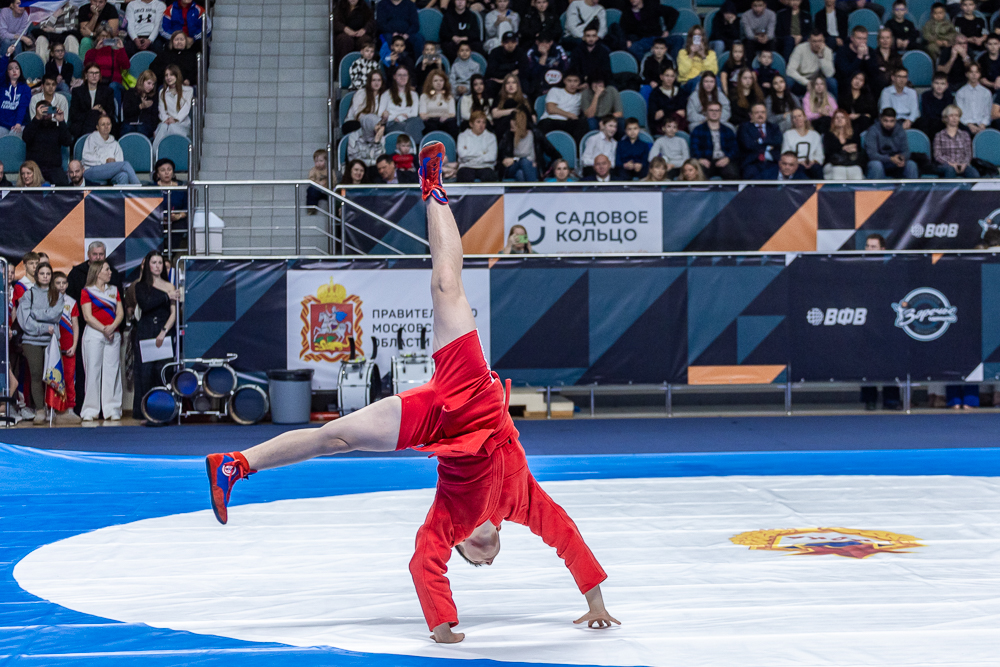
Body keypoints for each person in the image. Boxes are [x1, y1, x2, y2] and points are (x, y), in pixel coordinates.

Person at [206, 142, 619, 644]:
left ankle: (234, 463)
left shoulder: (447, 520)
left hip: (436, 420)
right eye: (492, 556)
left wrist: (443, 627)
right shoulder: (521, 502)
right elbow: (566, 537)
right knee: (447, 285)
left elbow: (424, 562)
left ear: (463, 546)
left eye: (475, 558)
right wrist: (595, 600)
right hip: (473, 394)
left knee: (335, 436)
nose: (487, 556)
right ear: (496, 540)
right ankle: (433, 188)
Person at [132, 251, 176, 425]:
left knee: (163, 371)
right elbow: (146, 305)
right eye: (154, 262)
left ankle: (164, 412)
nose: (157, 266)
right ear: (147, 265)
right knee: (145, 373)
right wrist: (166, 297)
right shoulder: (140, 286)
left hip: (163, 331)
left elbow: (173, 314)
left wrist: (164, 331)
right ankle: (145, 413)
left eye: (160, 262)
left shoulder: (170, 286)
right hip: (146, 331)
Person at [16, 262, 63, 425]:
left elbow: (55, 315)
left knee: (51, 376)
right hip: (32, 341)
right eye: (42, 273)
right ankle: (40, 410)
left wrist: (35, 314)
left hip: (51, 342)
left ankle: (52, 408)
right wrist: (44, 327)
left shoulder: (57, 295)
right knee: (36, 375)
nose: (45, 276)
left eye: (48, 274)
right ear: (37, 276)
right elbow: (24, 321)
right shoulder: (29, 295)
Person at [79, 259, 123, 422]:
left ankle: (112, 408)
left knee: (112, 371)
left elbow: (120, 313)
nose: (110, 272)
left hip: (113, 334)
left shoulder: (114, 290)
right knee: (93, 371)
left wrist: (112, 327)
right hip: (95, 334)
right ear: (98, 273)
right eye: (106, 269)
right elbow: (87, 316)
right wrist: (104, 329)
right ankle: (90, 409)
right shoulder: (87, 291)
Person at [47, 271, 81, 424]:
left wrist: (74, 345)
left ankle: (70, 409)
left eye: (64, 283)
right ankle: (51, 408)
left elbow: (75, 325)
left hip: (68, 347)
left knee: (69, 377)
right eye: (58, 283)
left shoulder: (72, 302)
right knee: (52, 377)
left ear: (67, 284)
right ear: (53, 284)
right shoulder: (48, 300)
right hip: (52, 345)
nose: (61, 286)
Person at [497, 108, 561, 181]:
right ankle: (535, 190)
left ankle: (526, 191)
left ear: (520, 126)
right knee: (525, 161)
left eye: (513, 127)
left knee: (520, 174)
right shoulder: (508, 136)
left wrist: (543, 166)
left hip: (532, 168)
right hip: (512, 167)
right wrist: (510, 159)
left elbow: (555, 154)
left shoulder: (535, 134)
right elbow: (502, 157)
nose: (510, 129)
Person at [22, 101, 72, 186]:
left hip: (54, 168)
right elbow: (26, 138)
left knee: (63, 184)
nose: (46, 113)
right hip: (35, 168)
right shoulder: (31, 126)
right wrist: (37, 118)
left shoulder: (56, 128)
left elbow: (67, 141)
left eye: (48, 110)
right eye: (43, 110)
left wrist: (61, 121)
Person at [81, 115, 141, 185]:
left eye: (108, 124)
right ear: (97, 127)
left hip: (109, 173)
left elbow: (119, 163)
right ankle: (140, 191)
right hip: (91, 170)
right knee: (125, 165)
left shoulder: (115, 143)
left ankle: (122, 196)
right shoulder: (91, 139)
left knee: (123, 175)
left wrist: (113, 164)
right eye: (103, 124)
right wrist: (105, 161)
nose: (106, 127)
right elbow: (86, 157)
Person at [690, 101, 740, 179]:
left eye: (717, 110)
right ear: (706, 112)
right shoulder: (698, 130)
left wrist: (728, 158)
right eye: (711, 110)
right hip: (706, 161)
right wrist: (700, 159)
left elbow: (734, 148)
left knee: (732, 173)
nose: (714, 113)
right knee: (699, 173)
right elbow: (694, 148)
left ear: (720, 113)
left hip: (724, 160)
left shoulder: (728, 130)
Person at [864, 107, 918, 178]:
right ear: (880, 119)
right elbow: (872, 154)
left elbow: (906, 151)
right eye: (885, 121)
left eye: (891, 121)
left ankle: (912, 189)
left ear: (895, 120)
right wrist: (890, 159)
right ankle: (876, 189)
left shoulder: (900, 130)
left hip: (896, 162)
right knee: (876, 165)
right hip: (880, 161)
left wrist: (902, 158)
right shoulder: (873, 131)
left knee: (911, 165)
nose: (888, 124)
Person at [69, 63, 116, 141]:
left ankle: (89, 142)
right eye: (91, 73)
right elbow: (74, 114)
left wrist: (102, 111)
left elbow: (111, 112)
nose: (94, 76)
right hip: (82, 123)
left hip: (102, 122)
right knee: (93, 115)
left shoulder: (108, 91)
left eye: (97, 73)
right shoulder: (77, 91)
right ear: (86, 75)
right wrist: (91, 112)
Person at [152, 64, 193, 153]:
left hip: (182, 123)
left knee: (172, 128)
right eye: (166, 75)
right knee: (162, 127)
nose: (168, 77)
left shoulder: (188, 90)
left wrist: (175, 119)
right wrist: (166, 119)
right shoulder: (162, 92)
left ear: (177, 76)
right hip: (167, 122)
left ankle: (176, 153)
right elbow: (161, 110)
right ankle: (156, 155)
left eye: (171, 75)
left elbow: (186, 108)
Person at [537, 72, 588, 141]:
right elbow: (551, 109)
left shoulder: (580, 96)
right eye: (569, 81)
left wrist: (585, 89)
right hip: (551, 120)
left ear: (579, 82)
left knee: (582, 125)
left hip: (570, 123)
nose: (572, 84)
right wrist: (568, 114)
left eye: (575, 81)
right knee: (544, 125)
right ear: (564, 81)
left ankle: (577, 151)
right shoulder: (555, 91)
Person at [933, 104, 981, 177]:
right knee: (950, 170)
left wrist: (964, 164)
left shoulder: (965, 135)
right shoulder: (939, 135)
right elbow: (937, 155)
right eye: (951, 116)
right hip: (946, 165)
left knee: (974, 174)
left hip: (963, 164)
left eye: (957, 116)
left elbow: (968, 153)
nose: (954, 118)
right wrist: (951, 164)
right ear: (945, 118)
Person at [738, 102, 783, 178]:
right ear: (751, 115)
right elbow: (748, 145)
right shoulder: (744, 128)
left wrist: (759, 142)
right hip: (752, 162)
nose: (760, 115)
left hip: (772, 162)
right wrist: (768, 146)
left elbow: (778, 141)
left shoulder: (774, 127)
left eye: (763, 112)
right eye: (757, 113)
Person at [787, 31, 835, 98]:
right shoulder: (800, 49)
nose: (817, 44)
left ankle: (834, 106)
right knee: (788, 80)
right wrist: (806, 82)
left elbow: (829, 74)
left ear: (823, 41)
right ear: (809, 41)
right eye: (814, 41)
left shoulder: (827, 51)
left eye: (820, 41)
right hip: (801, 81)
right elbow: (790, 70)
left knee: (832, 82)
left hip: (817, 82)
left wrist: (821, 56)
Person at [381, 66, 424, 139]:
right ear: (394, 77)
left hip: (410, 122)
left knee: (416, 121)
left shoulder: (414, 95)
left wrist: (400, 117)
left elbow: (414, 113)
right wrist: (395, 117)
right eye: (399, 75)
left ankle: (412, 147)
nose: (402, 77)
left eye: (405, 75)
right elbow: (380, 113)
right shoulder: (386, 94)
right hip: (393, 122)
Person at [153, 158, 188, 247]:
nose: (166, 173)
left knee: (180, 226)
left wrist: (178, 216)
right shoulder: (152, 188)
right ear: (157, 174)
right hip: (156, 219)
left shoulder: (181, 188)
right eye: (163, 170)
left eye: (169, 169)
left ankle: (169, 256)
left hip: (176, 219)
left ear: (173, 172)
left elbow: (186, 207)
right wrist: (161, 217)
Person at [782, 107, 824, 178]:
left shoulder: (815, 135)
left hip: (812, 163)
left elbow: (819, 154)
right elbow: (785, 152)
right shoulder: (788, 134)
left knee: (817, 169)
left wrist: (813, 161)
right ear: (792, 120)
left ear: (804, 117)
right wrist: (797, 162)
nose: (797, 119)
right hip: (795, 164)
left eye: (799, 116)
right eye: (794, 117)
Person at [456, 110, 498, 181]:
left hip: (486, 166)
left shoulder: (491, 137)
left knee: (489, 176)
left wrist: (471, 157)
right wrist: (482, 154)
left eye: (483, 122)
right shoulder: (462, 136)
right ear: (471, 124)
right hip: (466, 166)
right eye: (478, 122)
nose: (481, 125)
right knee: (465, 176)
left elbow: (492, 157)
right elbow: (462, 155)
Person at [823, 108, 864, 179]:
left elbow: (858, 150)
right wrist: (843, 148)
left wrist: (853, 149)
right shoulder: (828, 135)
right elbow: (828, 152)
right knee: (839, 171)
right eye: (837, 118)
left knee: (856, 170)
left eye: (842, 117)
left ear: (846, 120)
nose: (839, 119)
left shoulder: (854, 135)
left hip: (850, 163)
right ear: (833, 121)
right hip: (833, 164)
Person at [491, 72, 534, 139]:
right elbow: (495, 114)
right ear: (504, 85)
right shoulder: (499, 98)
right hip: (504, 127)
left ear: (517, 85)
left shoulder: (524, 98)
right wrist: (514, 111)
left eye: (513, 82)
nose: (511, 85)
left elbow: (532, 117)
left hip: (522, 127)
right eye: (508, 83)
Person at [334, 0, 376, 66]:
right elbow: (336, 22)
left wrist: (364, 30)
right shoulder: (340, 7)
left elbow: (371, 21)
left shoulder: (364, 7)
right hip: (345, 33)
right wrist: (345, 29)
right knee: (344, 40)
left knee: (365, 41)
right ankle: (343, 66)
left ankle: (365, 66)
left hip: (361, 33)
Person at [832, 26, 872, 96]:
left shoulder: (870, 51)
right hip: (846, 81)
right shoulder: (842, 51)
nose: (862, 42)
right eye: (859, 38)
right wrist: (859, 57)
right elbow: (846, 72)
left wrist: (866, 56)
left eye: (864, 39)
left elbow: (873, 73)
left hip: (863, 81)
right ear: (852, 38)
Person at [955, 62, 992, 133]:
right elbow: (960, 113)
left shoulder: (986, 92)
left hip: (982, 125)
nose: (974, 75)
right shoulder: (961, 92)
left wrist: (983, 124)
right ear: (966, 74)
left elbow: (988, 112)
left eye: (977, 72)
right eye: (971, 72)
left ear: (980, 74)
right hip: (966, 125)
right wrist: (969, 124)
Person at [647, 67, 688, 132]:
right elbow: (655, 116)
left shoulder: (680, 92)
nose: (669, 79)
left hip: (679, 126)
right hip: (662, 127)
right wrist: (674, 110)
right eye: (667, 75)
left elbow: (683, 113)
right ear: (661, 77)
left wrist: (664, 111)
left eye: (672, 76)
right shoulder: (655, 94)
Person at [122, 69, 159, 138]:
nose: (151, 87)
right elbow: (126, 112)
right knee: (128, 129)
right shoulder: (130, 92)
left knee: (141, 129)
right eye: (149, 83)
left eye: (153, 84)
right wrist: (140, 106)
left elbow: (155, 116)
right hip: (130, 122)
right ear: (142, 81)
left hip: (145, 124)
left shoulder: (154, 96)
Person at [838, 69, 876, 135]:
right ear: (851, 79)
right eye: (856, 78)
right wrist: (848, 116)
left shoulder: (867, 96)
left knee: (864, 120)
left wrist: (858, 115)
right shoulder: (843, 94)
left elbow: (871, 114)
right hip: (846, 121)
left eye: (861, 80)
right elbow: (840, 110)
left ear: (864, 83)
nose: (857, 82)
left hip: (861, 123)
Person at [0, 59, 30, 138]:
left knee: (13, 137)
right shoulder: (2, 86)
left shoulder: (25, 88)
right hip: (3, 124)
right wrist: (7, 55)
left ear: (20, 71)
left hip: (19, 123)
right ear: (7, 72)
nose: (14, 71)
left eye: (17, 68)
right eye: (10, 69)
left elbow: (23, 107)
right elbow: (1, 69)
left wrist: (18, 123)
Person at [871, 28, 903, 92]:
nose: (885, 40)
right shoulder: (873, 55)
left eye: (887, 38)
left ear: (891, 40)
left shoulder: (896, 56)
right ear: (878, 40)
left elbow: (900, 70)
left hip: (894, 85)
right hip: (877, 86)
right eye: (882, 38)